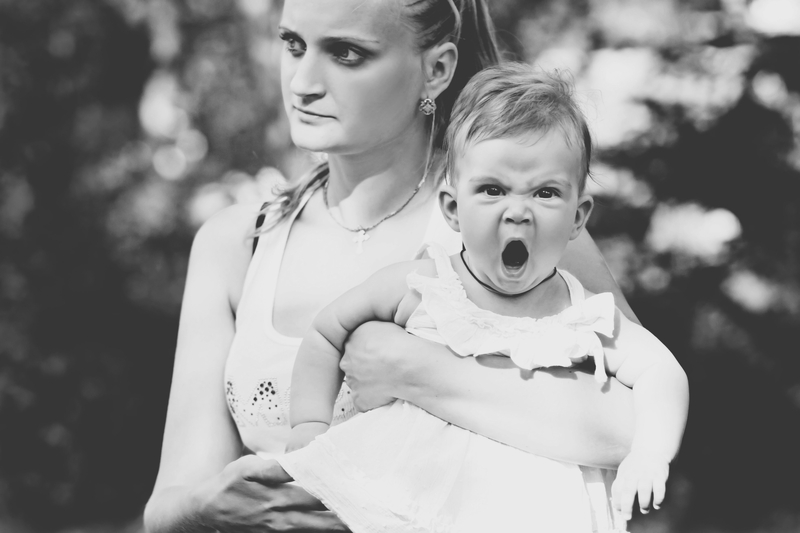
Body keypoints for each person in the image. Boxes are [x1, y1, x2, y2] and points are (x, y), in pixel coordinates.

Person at [144, 1, 641, 532]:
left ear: (437, 69)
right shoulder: (237, 243)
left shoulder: (508, 225)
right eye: (293, 45)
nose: (303, 82)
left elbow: (639, 425)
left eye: (346, 53)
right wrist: (207, 507)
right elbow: (167, 504)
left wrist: (418, 371)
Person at [269, 64, 690, 533]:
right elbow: (327, 333)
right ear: (453, 208)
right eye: (492, 189)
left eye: (546, 192)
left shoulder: (582, 315)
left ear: (577, 217)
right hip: (410, 503)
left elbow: (661, 371)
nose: (518, 211)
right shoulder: (423, 285)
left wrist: (651, 453)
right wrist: (308, 427)